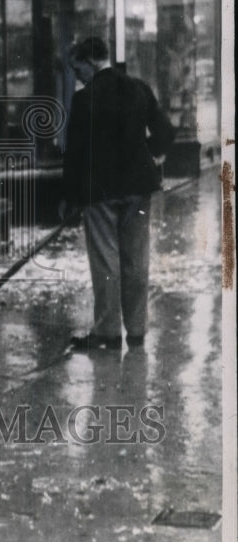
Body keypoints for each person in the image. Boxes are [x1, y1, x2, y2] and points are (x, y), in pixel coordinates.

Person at [60, 36, 175, 350]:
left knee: (106, 261)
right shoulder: (139, 88)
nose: (77, 75)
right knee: (137, 259)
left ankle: (108, 332)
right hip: (139, 188)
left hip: (100, 192)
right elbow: (166, 131)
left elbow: (75, 154)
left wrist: (69, 197)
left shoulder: (86, 100)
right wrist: (148, 154)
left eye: (78, 67)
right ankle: (137, 330)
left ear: (92, 61)